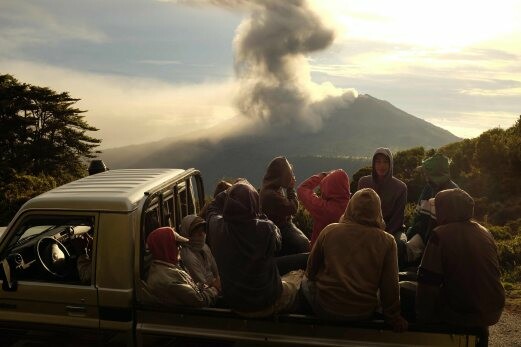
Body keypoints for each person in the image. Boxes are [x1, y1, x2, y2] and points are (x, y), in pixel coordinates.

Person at [302, 188, 408, 332]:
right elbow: (390, 287)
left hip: (325, 308)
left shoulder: (330, 230)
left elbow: (311, 271)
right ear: (378, 211)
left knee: (302, 280)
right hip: (363, 312)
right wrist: (394, 318)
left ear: (350, 207)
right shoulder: (388, 241)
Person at [416, 188, 505, 344]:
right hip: (492, 310)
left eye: (439, 207)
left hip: (461, 312)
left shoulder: (440, 234)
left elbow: (427, 282)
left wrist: (422, 319)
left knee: (406, 292)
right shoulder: (485, 232)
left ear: (447, 210)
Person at [207, 179, 302, 317]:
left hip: (235, 304)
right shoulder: (265, 229)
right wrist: (259, 215)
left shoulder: (217, 227)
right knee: (299, 283)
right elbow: (278, 242)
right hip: (267, 302)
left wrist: (230, 191)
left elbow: (212, 207)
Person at [145, 226, 219, 307]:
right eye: (177, 244)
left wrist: (205, 286)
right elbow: (199, 301)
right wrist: (215, 289)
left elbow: (190, 289)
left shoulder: (167, 267)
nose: (180, 248)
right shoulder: (167, 279)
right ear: (165, 247)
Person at [357, 148, 408, 266]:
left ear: (390, 164)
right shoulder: (363, 182)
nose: (382, 165)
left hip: (393, 229)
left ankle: (394, 276)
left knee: (398, 244)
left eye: (385, 162)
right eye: (378, 162)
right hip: (366, 226)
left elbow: (398, 218)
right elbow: (357, 209)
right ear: (373, 164)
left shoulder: (400, 187)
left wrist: (381, 235)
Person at [405, 153, 458, 265]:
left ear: (435, 174)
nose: (425, 176)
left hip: (441, 244)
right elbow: (418, 216)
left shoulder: (454, 193)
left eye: (426, 173)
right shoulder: (429, 188)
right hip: (423, 235)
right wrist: (411, 233)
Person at [260, 156, 309, 256]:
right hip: (281, 230)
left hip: (282, 228)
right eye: (289, 174)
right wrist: (291, 189)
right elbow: (293, 208)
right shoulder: (271, 195)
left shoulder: (271, 188)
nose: (291, 176)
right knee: (304, 245)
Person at [297, 169, 351, 249]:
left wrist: (322, 175)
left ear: (328, 188)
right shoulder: (353, 207)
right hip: (343, 256)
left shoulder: (324, 208)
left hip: (319, 256)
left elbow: (302, 189)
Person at [179, 214, 221, 292]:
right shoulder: (188, 256)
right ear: (187, 234)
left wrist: (218, 280)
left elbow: (215, 270)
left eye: (203, 231)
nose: (201, 234)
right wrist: (216, 286)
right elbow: (202, 284)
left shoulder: (204, 247)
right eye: (197, 232)